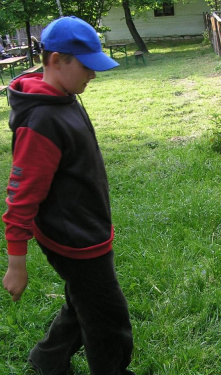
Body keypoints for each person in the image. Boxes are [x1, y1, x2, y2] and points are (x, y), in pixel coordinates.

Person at [2, 16, 135, 375]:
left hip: (83, 226)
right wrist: (16, 264)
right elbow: (21, 197)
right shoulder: (41, 120)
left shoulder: (64, 96)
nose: (93, 75)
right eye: (87, 66)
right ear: (58, 59)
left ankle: (48, 359)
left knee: (85, 301)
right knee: (107, 317)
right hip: (73, 239)